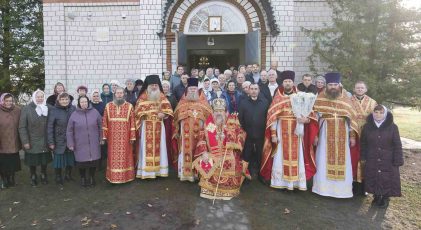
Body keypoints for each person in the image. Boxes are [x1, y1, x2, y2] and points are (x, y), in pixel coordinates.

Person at [260, 71, 318, 190]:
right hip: (282, 132)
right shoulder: (278, 97)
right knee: (280, 156)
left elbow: (311, 115)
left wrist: (305, 120)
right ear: (282, 83)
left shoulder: (301, 96)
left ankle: (297, 183)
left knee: (299, 157)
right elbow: (272, 118)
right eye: (285, 81)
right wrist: (273, 134)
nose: (287, 83)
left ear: (293, 82)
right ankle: (281, 182)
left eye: (290, 81)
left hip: (298, 133)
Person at [312, 72, 359, 198]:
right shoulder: (320, 97)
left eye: (335, 84)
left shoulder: (346, 98)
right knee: (323, 158)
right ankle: (322, 189)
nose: (333, 87)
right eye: (331, 84)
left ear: (339, 85)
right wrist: (315, 135)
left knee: (343, 160)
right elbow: (315, 117)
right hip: (325, 132)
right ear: (327, 85)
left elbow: (351, 118)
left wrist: (352, 136)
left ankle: (342, 191)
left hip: (342, 132)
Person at [193, 98, 247, 200]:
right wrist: (204, 152)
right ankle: (209, 190)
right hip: (212, 153)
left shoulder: (231, 122)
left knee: (232, 161)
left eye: (221, 111)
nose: (219, 113)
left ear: (225, 111)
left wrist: (233, 141)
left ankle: (228, 191)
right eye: (216, 111)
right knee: (207, 161)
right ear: (213, 111)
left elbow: (241, 134)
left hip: (229, 152)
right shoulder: (209, 124)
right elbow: (202, 138)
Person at [360, 105, 403, 208]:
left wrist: (398, 159)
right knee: (373, 175)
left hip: (388, 158)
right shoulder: (367, 126)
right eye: (376, 112)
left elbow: (397, 144)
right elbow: (363, 143)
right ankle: (376, 195)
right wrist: (363, 156)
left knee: (386, 177)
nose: (378, 114)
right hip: (372, 156)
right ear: (373, 113)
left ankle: (385, 197)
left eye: (381, 112)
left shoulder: (393, 127)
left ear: (385, 114)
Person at [173, 78, 212, 182]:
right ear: (187, 89)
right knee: (186, 151)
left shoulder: (203, 102)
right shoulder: (182, 102)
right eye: (191, 89)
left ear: (197, 89)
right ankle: (186, 174)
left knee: (200, 150)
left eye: (195, 88)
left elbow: (209, 117)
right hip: (185, 134)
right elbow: (176, 116)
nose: (193, 90)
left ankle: (198, 174)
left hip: (200, 134)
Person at [135, 75, 173, 179]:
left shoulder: (161, 96)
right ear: (148, 85)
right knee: (145, 148)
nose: (154, 87)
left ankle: (159, 171)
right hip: (146, 126)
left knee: (160, 147)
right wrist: (143, 114)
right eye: (152, 85)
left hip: (159, 127)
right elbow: (137, 111)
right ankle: (146, 173)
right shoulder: (142, 97)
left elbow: (169, 109)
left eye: (156, 85)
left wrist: (164, 115)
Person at [102, 87, 136, 184]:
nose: (119, 95)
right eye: (118, 93)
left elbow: (132, 122)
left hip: (125, 138)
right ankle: (113, 177)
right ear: (115, 94)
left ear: (124, 94)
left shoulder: (129, 106)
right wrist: (104, 136)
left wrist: (132, 136)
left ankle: (126, 177)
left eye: (121, 93)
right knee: (112, 157)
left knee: (126, 156)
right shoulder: (108, 106)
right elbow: (105, 121)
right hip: (112, 138)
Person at [67, 96, 102, 187]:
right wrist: (70, 143)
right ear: (79, 103)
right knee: (81, 163)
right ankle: (83, 178)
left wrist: (101, 138)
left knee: (93, 162)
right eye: (82, 102)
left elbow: (101, 127)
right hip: (80, 144)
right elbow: (69, 131)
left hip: (93, 143)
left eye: (85, 101)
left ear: (88, 102)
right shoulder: (74, 114)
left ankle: (91, 177)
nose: (84, 104)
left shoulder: (95, 112)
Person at [19, 90, 52, 186]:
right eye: (38, 97)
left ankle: (43, 174)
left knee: (44, 160)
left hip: (45, 140)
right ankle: (33, 175)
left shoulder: (48, 108)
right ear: (34, 98)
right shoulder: (27, 109)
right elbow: (22, 127)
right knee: (32, 160)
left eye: (42, 96)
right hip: (32, 140)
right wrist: (25, 141)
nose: (40, 98)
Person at [350, 81, 377, 194]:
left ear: (366, 89)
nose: (360, 89)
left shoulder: (372, 102)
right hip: (353, 133)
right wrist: (351, 135)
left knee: (366, 158)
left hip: (367, 134)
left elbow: (376, 119)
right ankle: (354, 184)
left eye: (362, 88)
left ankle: (365, 186)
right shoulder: (348, 101)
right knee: (353, 158)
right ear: (354, 89)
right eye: (358, 88)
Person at [238, 83, 269, 179]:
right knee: (246, 155)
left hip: (261, 134)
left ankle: (261, 175)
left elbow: (267, 118)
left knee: (260, 155)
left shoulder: (265, 102)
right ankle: (246, 175)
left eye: (256, 89)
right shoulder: (243, 102)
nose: (253, 91)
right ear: (248, 90)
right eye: (251, 89)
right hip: (247, 135)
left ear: (259, 90)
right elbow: (240, 119)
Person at [47, 93, 76, 185]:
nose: (65, 101)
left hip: (71, 139)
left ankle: (68, 175)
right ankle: (58, 176)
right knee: (58, 159)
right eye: (62, 99)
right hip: (59, 139)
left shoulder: (73, 109)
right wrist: (51, 142)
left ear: (69, 100)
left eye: (66, 99)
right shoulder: (54, 110)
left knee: (70, 158)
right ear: (58, 100)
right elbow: (50, 127)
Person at [0, 93, 22, 188]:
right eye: (6, 101)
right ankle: (4, 180)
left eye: (10, 101)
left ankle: (12, 178)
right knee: (3, 163)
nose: (8, 103)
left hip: (14, 140)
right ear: (2, 101)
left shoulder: (17, 110)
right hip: (2, 140)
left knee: (13, 162)